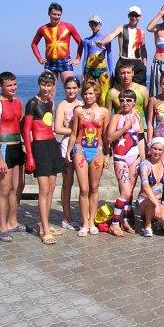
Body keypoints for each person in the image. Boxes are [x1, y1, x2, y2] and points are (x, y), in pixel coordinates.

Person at [22, 71, 65, 245]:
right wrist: (30, 155)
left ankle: (44, 224)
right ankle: (45, 231)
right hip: (39, 146)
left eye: (49, 85)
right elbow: (26, 130)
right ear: (39, 84)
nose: (46, 88)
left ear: (53, 86)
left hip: (52, 145)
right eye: (43, 85)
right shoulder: (32, 103)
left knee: (52, 187)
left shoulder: (50, 102)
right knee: (44, 189)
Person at [65, 80, 110, 237]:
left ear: (97, 93)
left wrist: (107, 154)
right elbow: (73, 133)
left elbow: (106, 136)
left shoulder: (104, 112)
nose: (87, 96)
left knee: (94, 188)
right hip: (80, 151)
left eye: (90, 93)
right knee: (84, 189)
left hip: (97, 151)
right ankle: (85, 222)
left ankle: (92, 221)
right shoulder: (78, 111)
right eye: (85, 93)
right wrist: (68, 152)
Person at [0, 72, 25, 242]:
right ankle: (2, 227)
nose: (13, 88)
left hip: (17, 146)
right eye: (9, 85)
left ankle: (12, 221)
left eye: (14, 84)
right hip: (4, 148)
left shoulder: (18, 101)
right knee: (4, 189)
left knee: (18, 186)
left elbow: (22, 124)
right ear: (0, 86)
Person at [107, 89, 144, 237]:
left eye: (128, 100)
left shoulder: (137, 116)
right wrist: (125, 127)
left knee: (130, 193)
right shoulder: (116, 117)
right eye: (122, 100)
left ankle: (125, 220)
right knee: (126, 192)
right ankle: (114, 224)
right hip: (120, 157)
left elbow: (140, 138)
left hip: (135, 157)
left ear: (134, 102)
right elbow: (110, 137)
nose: (125, 103)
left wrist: (143, 159)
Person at [54, 76, 82, 230]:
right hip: (67, 145)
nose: (71, 91)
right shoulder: (62, 105)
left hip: (81, 144)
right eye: (68, 88)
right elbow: (58, 128)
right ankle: (66, 216)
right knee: (67, 182)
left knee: (84, 182)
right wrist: (74, 131)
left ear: (78, 89)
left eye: (74, 88)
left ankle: (84, 215)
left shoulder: (82, 104)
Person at [31, 2, 82, 85]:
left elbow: (80, 42)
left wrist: (78, 59)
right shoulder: (43, 28)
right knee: (48, 90)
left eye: (59, 15)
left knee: (71, 88)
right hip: (49, 63)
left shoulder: (69, 26)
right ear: (49, 14)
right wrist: (39, 58)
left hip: (65, 61)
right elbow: (34, 44)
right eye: (54, 14)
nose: (57, 17)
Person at [106, 60, 149, 154]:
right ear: (118, 74)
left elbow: (148, 115)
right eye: (122, 73)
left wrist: (149, 136)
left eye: (128, 72)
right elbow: (107, 116)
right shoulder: (112, 92)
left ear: (133, 73)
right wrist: (107, 142)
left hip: (139, 133)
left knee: (141, 161)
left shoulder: (143, 90)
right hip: (120, 134)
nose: (126, 76)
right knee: (121, 161)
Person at [98, 6, 147, 86]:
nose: (134, 18)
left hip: (138, 64)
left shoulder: (142, 32)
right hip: (124, 62)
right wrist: (102, 42)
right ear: (128, 16)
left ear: (140, 17)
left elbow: (143, 49)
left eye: (136, 15)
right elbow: (111, 35)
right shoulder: (121, 28)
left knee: (140, 89)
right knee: (119, 89)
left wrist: (144, 64)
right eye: (132, 15)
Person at [136, 137, 164, 237]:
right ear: (150, 149)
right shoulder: (145, 164)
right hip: (145, 200)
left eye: (160, 149)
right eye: (154, 148)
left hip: (159, 200)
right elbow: (146, 186)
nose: (157, 152)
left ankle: (155, 220)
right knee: (151, 201)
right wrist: (157, 204)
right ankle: (148, 225)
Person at [81, 15, 112, 106]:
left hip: (102, 69)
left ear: (100, 24)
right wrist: (83, 74)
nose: (94, 26)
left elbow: (109, 56)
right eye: (91, 24)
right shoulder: (86, 41)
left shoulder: (106, 39)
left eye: (96, 24)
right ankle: (90, 109)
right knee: (89, 91)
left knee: (104, 93)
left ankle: (103, 110)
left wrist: (111, 72)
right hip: (90, 69)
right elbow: (85, 58)